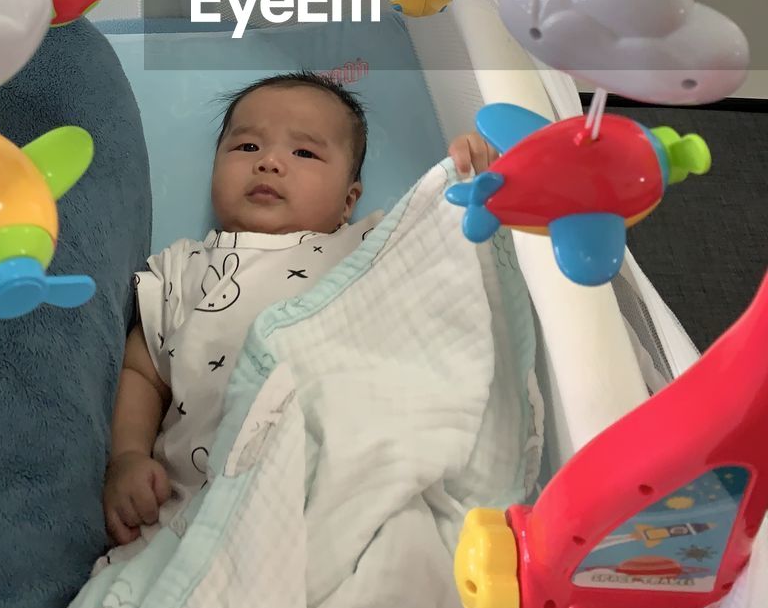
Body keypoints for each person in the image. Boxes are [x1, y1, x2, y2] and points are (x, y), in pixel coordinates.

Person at [102, 71, 495, 551]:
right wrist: (126, 455)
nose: (269, 162)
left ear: (349, 201)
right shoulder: (184, 266)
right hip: (204, 510)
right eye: (246, 148)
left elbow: (444, 254)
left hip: (340, 483)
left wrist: (469, 182)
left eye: (304, 153)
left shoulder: (368, 246)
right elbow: (142, 370)